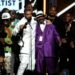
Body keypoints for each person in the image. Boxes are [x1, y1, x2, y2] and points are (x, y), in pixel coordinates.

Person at [35, 11, 61, 75]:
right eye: (38, 17)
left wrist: (59, 41)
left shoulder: (51, 26)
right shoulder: (35, 27)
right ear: (37, 18)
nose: (40, 18)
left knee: (51, 71)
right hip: (39, 52)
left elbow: (56, 35)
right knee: (40, 71)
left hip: (49, 51)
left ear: (44, 17)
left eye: (41, 16)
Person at [13, 9, 36, 75]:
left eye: (30, 14)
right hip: (24, 48)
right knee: (23, 65)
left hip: (33, 49)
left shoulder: (35, 20)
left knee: (31, 67)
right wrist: (20, 28)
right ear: (24, 14)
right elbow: (14, 32)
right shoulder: (21, 22)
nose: (29, 16)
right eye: (27, 14)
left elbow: (42, 21)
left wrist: (47, 21)